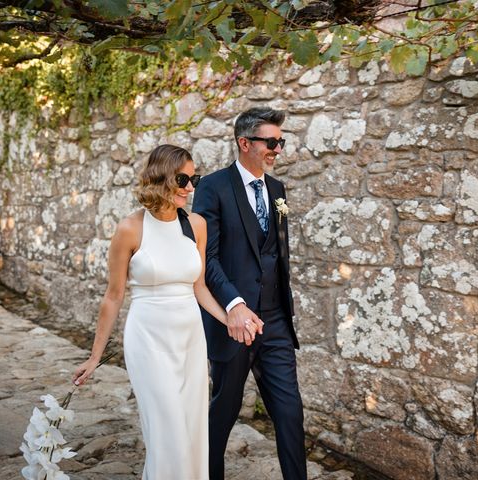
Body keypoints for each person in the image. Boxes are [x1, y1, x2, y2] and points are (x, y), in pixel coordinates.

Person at [73, 144, 230, 480]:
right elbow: (113, 296)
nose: (191, 187)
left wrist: (229, 318)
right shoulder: (130, 228)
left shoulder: (196, 225)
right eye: (183, 179)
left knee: (190, 433)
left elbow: (199, 286)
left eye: (194, 178)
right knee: (167, 436)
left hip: (189, 341)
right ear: (162, 178)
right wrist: (94, 356)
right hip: (148, 340)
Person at [192, 107, 307, 480]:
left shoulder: (277, 190)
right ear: (245, 143)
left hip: (274, 321)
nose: (277, 149)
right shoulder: (213, 186)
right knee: (223, 413)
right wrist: (234, 305)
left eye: (281, 142)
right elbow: (206, 259)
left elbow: (274, 254)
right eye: (271, 142)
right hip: (233, 322)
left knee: (289, 412)